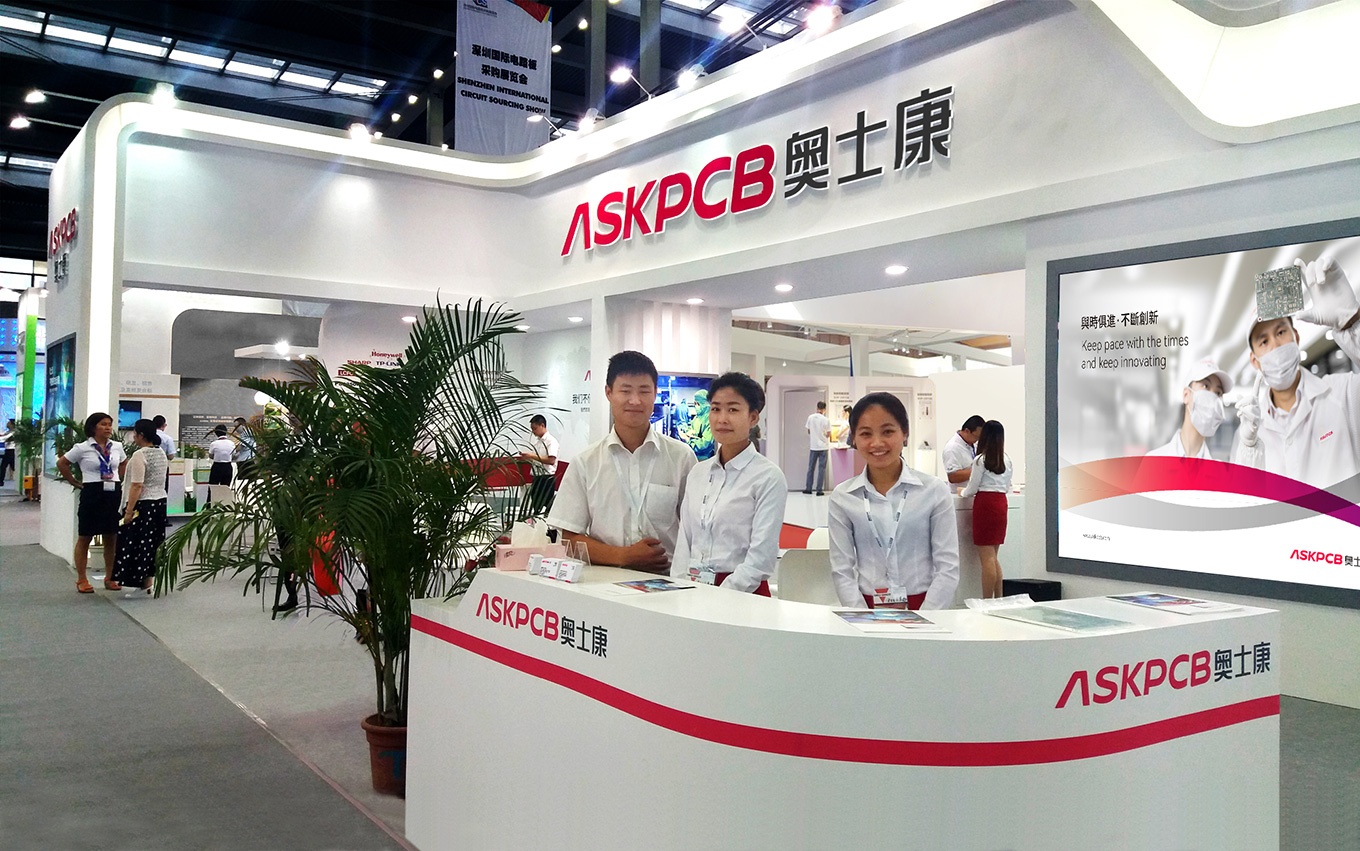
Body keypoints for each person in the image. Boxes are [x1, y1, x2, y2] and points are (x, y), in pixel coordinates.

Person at [548, 350, 698, 572]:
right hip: (604, 582)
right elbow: (568, 539)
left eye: (644, 391)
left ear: (655, 393)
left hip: (669, 582)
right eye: (625, 390)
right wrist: (623, 556)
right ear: (608, 392)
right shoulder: (585, 462)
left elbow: (697, 530)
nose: (635, 401)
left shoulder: (681, 458)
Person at [1232, 257, 1360, 489]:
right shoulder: (1250, 430)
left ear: (1296, 337)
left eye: (1281, 332)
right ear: (1254, 360)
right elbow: (1244, 496)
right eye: (1263, 341)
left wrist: (1353, 323)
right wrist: (1249, 447)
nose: (1275, 345)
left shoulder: (1344, 394)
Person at [828, 393, 959, 610]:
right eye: (866, 433)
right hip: (865, 608)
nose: (877, 443)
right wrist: (863, 618)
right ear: (854, 438)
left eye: (888, 431)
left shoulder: (933, 491)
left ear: (905, 433)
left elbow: (948, 567)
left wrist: (924, 619)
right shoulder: (843, 497)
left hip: (925, 607)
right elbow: (842, 570)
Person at [673, 372, 786, 595]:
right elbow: (684, 539)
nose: (722, 419)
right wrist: (679, 586)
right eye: (715, 409)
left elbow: (761, 557)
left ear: (753, 418)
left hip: (744, 594)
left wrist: (721, 595)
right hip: (693, 588)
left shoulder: (768, 477)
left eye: (733, 410)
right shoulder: (698, 472)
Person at [56, 412, 126, 593]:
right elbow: (62, 463)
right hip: (92, 492)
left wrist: (119, 479)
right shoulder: (82, 448)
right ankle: (81, 579)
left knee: (111, 536)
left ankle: (110, 577)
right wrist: (74, 481)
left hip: (112, 492)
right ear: (93, 427)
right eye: (103, 424)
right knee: (85, 535)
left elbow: (124, 463)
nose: (108, 428)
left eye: (109, 424)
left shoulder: (117, 446)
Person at [111, 419, 169, 595]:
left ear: (141, 435)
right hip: (159, 502)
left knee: (137, 543)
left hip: (143, 504)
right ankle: (148, 580)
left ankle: (139, 580)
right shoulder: (161, 452)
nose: (133, 436)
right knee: (152, 542)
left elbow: (137, 485)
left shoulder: (140, 455)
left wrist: (129, 511)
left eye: (135, 433)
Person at [960, 420, 1012, 599]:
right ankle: (998, 597)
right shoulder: (1006, 459)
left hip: (985, 504)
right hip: (1001, 503)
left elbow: (972, 488)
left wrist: (962, 492)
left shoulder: (980, 460)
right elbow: (1007, 486)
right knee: (994, 557)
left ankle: (987, 600)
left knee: (987, 559)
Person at [1148, 358, 1233, 459]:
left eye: (1218, 393)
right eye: (1205, 386)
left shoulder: (1219, 469)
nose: (1212, 397)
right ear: (1186, 395)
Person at [518, 414, 560, 514]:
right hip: (537, 477)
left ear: (542, 425)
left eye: (535, 429)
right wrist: (527, 458)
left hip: (546, 478)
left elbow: (551, 460)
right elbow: (538, 459)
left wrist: (531, 456)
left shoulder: (551, 441)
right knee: (536, 508)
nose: (533, 432)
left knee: (545, 508)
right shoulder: (538, 442)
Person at [942, 415, 985, 484]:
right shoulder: (952, 448)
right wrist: (978, 470)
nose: (977, 440)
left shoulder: (973, 443)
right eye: (976, 437)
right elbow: (953, 477)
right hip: (960, 490)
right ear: (967, 431)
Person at [803, 401, 831, 495]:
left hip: (813, 446)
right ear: (824, 409)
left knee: (811, 468)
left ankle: (808, 488)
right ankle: (819, 490)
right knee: (821, 469)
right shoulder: (826, 420)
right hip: (823, 447)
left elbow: (809, 431)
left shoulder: (810, 417)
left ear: (817, 408)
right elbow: (828, 434)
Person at [0, 419, 13, 486]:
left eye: (9, 422)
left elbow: (4, 438)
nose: (7, 424)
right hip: (7, 451)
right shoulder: (8, 432)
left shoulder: (13, 432)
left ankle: (1, 481)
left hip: (11, 451)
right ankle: (1, 481)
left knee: (4, 466)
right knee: (3, 466)